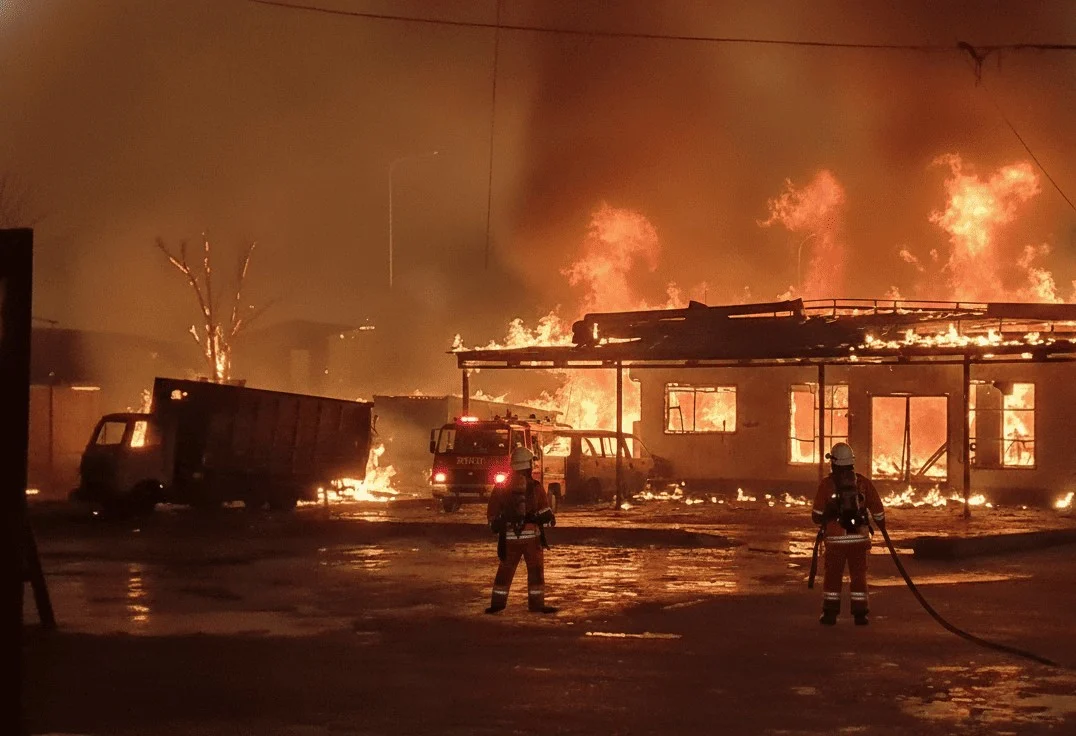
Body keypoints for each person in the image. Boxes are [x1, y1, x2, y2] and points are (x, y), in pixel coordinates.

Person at [811, 442, 886, 626]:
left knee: (833, 576)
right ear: (851, 462)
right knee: (859, 576)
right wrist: (881, 525)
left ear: (834, 462)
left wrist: (828, 517)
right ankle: (860, 615)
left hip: (835, 541)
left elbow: (817, 515)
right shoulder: (863, 483)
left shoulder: (827, 485)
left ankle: (830, 614)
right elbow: (878, 510)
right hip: (859, 540)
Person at [485, 445, 557, 614]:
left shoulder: (501, 487)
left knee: (505, 571)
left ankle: (497, 604)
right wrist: (548, 518)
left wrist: (497, 525)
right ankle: (537, 605)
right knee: (536, 573)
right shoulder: (535, 486)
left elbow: (492, 513)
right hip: (532, 539)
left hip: (509, 539)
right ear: (528, 465)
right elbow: (545, 513)